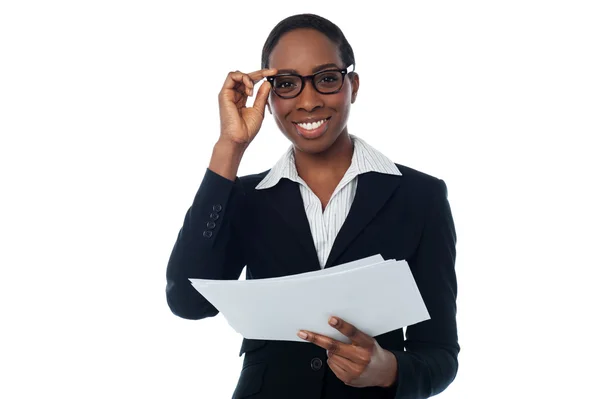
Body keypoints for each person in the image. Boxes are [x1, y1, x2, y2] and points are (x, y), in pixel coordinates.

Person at [165, 13, 459, 399]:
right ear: (267, 99)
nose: (307, 101)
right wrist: (229, 149)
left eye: (326, 79)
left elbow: (440, 354)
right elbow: (188, 302)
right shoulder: (245, 197)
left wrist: (387, 369)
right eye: (287, 84)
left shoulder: (421, 197)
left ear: (352, 85)